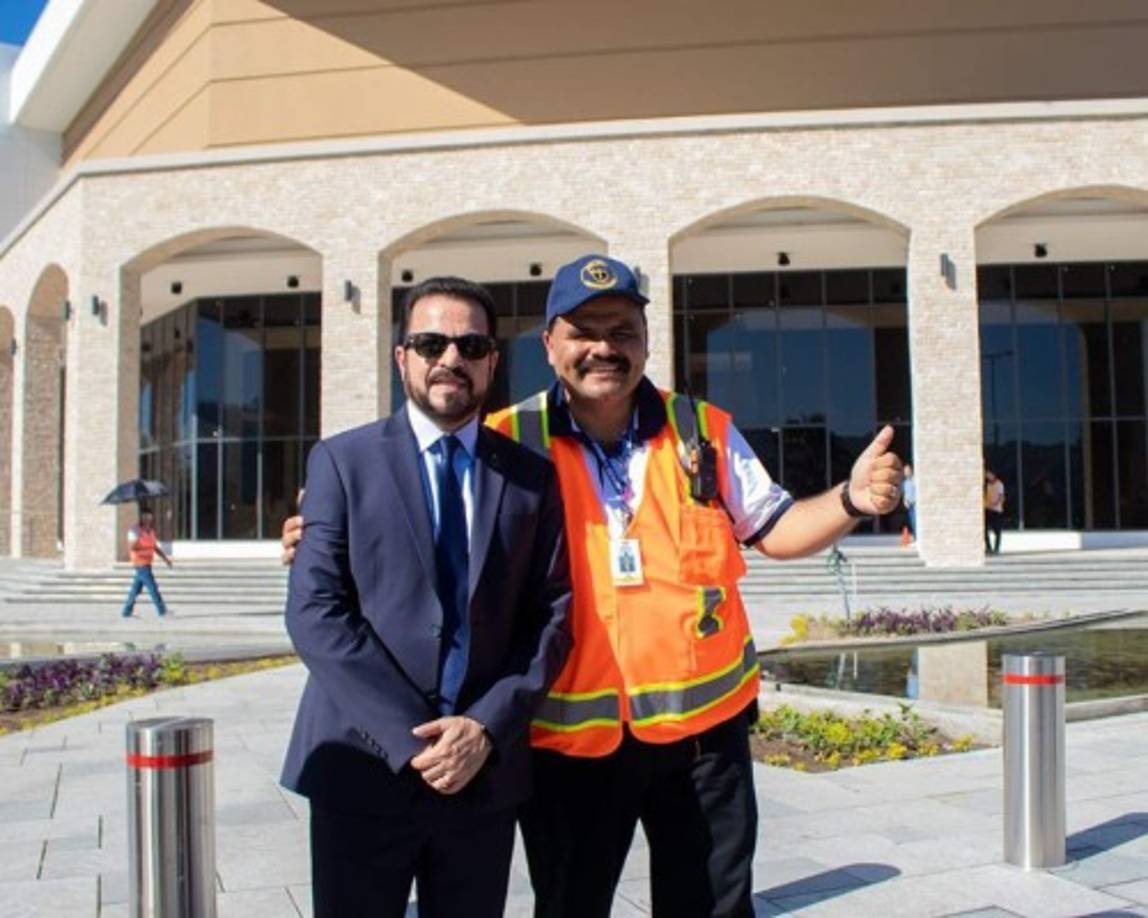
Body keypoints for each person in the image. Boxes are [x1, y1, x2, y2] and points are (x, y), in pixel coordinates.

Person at [281, 255, 902, 918]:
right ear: (549, 345)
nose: (604, 347)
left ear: (646, 340)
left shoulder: (702, 432)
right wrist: (319, 537)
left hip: (703, 737)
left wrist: (851, 500)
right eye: (583, 332)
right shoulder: (506, 440)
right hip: (569, 747)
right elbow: (422, 526)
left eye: (622, 330)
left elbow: (775, 527)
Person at [280, 276, 572, 918]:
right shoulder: (341, 462)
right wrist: (415, 741)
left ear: (492, 362)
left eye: (471, 346)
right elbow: (316, 613)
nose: (451, 359)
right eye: (431, 343)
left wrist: (483, 728)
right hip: (362, 766)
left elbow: (551, 617)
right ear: (401, 357)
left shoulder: (531, 479)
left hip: (480, 776)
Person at [121, 507, 171, 618]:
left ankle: (126, 611)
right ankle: (162, 611)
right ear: (141, 517)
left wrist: (165, 559)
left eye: (149, 517)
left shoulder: (150, 531)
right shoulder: (134, 530)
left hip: (147, 563)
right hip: (140, 563)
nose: (147, 519)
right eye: (145, 517)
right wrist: (139, 536)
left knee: (135, 589)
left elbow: (154, 547)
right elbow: (131, 547)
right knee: (153, 587)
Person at [984, 468, 1005, 554]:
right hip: (988, 508)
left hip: (996, 510)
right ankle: (988, 547)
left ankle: (996, 548)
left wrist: (995, 504)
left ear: (993, 474)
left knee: (997, 530)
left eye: (988, 473)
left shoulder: (999, 484)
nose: (987, 475)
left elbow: (1001, 497)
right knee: (984, 529)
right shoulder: (988, 484)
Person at [902, 462, 917, 543]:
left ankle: (917, 538)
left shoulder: (915, 481)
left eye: (907, 471)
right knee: (912, 522)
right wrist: (905, 501)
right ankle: (915, 538)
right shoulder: (905, 482)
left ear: (911, 471)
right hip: (909, 505)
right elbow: (905, 493)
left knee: (915, 522)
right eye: (905, 471)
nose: (906, 473)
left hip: (915, 505)